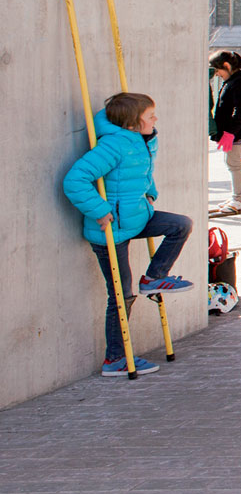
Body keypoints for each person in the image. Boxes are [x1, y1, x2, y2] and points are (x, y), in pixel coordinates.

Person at [61, 91, 195, 376]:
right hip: (111, 230)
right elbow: (75, 179)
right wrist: (99, 209)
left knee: (180, 224)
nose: (155, 120)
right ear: (133, 123)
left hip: (136, 218)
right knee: (121, 296)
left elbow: (141, 174)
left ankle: (155, 277)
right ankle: (115, 360)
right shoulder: (113, 146)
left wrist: (150, 193)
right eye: (150, 116)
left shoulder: (140, 141)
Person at [208, 50, 241, 214]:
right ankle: (238, 196)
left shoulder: (240, 82)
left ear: (227, 66)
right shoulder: (235, 80)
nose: (218, 75)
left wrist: (231, 132)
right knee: (231, 163)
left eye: (219, 72)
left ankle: (239, 198)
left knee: (233, 163)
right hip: (240, 131)